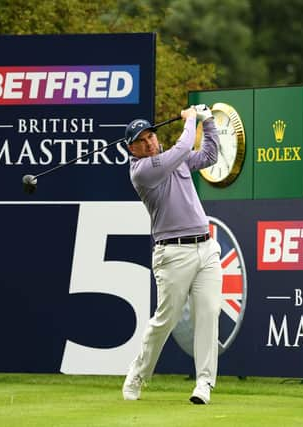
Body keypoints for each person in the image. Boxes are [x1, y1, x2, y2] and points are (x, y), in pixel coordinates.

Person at [122, 105, 223, 404]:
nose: (149, 143)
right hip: (172, 254)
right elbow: (181, 148)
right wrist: (191, 118)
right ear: (132, 149)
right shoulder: (142, 171)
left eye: (151, 136)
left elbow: (209, 156)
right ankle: (138, 373)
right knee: (166, 319)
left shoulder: (172, 158)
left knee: (208, 314)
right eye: (141, 141)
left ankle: (204, 384)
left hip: (206, 247)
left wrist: (207, 123)